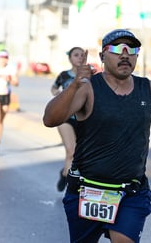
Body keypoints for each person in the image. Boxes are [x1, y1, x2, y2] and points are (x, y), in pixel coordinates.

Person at [43, 28, 151, 243]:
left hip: (130, 191)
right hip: (87, 190)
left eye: (131, 49)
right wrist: (74, 85)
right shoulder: (88, 88)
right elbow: (50, 119)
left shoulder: (146, 88)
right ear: (102, 56)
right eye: (117, 48)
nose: (125, 54)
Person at [51, 47, 86, 192]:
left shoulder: (89, 75)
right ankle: (71, 187)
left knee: (80, 154)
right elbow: (54, 88)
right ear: (70, 58)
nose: (79, 57)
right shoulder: (64, 75)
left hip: (83, 119)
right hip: (65, 118)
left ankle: (65, 173)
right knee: (71, 151)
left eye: (81, 55)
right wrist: (58, 95)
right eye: (76, 55)